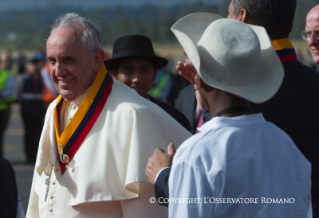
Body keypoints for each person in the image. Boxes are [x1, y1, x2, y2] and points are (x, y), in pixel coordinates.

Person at [147, 0, 319, 213]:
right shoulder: (287, 146)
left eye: (228, 15)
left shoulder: (195, 155)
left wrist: (163, 177)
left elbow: (205, 191)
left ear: (242, 19)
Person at [26, 13, 191, 218]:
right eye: (52, 61)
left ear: (96, 60)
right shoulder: (54, 109)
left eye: (68, 60)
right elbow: (40, 190)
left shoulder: (134, 115)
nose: (58, 71)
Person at [105, 35, 191, 131]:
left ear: (154, 75)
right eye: (129, 70)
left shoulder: (173, 118)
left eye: (144, 70)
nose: (136, 79)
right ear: (114, 75)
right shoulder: (102, 116)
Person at [18, 52, 47, 164]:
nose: (34, 66)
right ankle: (29, 155)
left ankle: (35, 155)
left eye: (36, 63)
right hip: (27, 110)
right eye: (32, 64)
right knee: (29, 132)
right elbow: (18, 93)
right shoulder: (24, 78)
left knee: (38, 133)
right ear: (28, 65)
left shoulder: (43, 78)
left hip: (39, 109)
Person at [0, 52, 15, 155]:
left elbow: (9, 92)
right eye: (2, 61)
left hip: (4, 109)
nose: (5, 63)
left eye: (7, 61)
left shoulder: (10, 74)